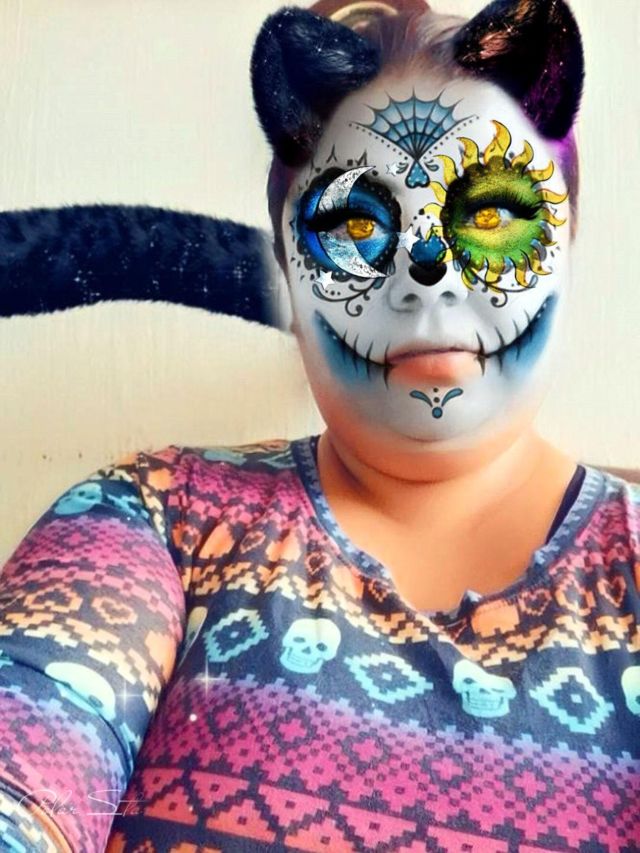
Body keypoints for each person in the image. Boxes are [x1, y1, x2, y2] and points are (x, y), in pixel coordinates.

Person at [1, 0, 638, 850]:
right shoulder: (155, 515)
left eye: (489, 215)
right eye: (356, 224)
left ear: (568, 245)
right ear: (288, 274)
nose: (427, 272)